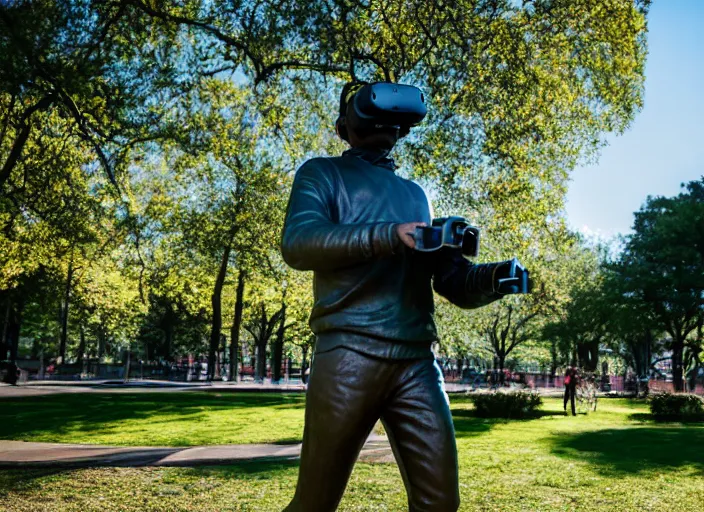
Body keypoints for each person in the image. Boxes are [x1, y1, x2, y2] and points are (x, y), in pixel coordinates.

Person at [281, 80, 527, 512]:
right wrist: (391, 235)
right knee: (315, 503)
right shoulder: (321, 173)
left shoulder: (416, 195)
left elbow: (449, 283)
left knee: (439, 503)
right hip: (348, 354)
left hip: (417, 363)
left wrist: (493, 279)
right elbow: (299, 243)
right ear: (343, 128)